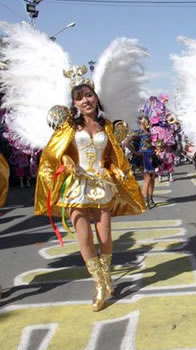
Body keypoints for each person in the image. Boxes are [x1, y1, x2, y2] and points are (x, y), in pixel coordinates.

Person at [35, 69, 145, 311]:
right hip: (75, 186)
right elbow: (55, 153)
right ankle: (98, 283)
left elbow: (112, 157)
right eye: (79, 97)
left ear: (96, 97)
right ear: (73, 103)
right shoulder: (68, 127)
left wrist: (114, 170)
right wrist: (67, 163)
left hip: (101, 186)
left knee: (104, 236)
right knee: (83, 236)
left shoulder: (107, 126)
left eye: (88, 95)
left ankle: (107, 276)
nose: (85, 101)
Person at [126, 116, 158, 209]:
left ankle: (151, 199)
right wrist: (135, 152)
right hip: (144, 157)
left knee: (152, 178)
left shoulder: (152, 132)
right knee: (147, 178)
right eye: (145, 122)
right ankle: (145, 200)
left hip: (152, 156)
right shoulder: (138, 133)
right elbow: (127, 142)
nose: (148, 123)